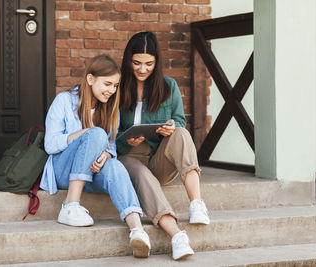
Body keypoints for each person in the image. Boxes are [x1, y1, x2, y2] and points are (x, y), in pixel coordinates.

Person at [40, 55, 151, 258]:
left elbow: (111, 148)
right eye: (107, 84)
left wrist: (105, 155)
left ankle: (137, 230)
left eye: (115, 85)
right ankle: (70, 206)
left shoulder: (110, 108)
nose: (111, 90)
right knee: (96, 133)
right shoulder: (64, 101)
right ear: (90, 79)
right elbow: (50, 145)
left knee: (116, 166)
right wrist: (85, 135)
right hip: (62, 170)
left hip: (90, 172)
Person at [117, 32, 210, 260]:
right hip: (129, 156)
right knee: (140, 173)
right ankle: (177, 236)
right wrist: (124, 139)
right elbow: (107, 132)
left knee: (181, 132)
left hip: (158, 157)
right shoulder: (117, 87)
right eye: (137, 63)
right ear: (129, 60)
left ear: (156, 62)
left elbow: (179, 119)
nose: (142, 69)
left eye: (149, 64)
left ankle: (196, 203)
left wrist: (170, 126)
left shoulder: (168, 86)